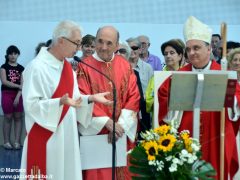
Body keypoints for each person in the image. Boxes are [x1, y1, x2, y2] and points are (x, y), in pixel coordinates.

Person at [20, 20, 112, 180]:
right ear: (61, 40)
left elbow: (74, 99)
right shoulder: (36, 67)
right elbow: (31, 106)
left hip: (67, 135)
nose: (78, 48)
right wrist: (58, 103)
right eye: (76, 43)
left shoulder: (67, 67)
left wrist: (90, 98)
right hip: (46, 138)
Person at [158, 16, 239, 179]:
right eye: (188, 49)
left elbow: (236, 99)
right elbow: (163, 96)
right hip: (185, 139)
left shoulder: (223, 74)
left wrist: (228, 97)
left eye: (196, 48)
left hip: (215, 137)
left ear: (209, 49)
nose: (191, 53)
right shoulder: (178, 76)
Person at [77, 26, 140, 180]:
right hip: (98, 133)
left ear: (117, 46)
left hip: (121, 133)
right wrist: (107, 122)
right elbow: (82, 96)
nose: (103, 47)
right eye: (100, 41)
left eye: (109, 43)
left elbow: (134, 97)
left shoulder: (125, 66)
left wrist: (120, 126)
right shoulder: (84, 66)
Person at [146, 39, 185, 116]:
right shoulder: (156, 77)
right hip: (161, 119)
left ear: (180, 56)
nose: (168, 56)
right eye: (165, 54)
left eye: (172, 53)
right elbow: (149, 99)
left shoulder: (186, 75)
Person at [0, 45, 24, 150]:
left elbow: (23, 84)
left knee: (18, 117)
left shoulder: (21, 68)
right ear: (8, 55)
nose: (13, 56)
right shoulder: (3, 67)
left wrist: (18, 96)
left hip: (18, 95)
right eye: (11, 53)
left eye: (15, 53)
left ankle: (17, 142)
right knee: (8, 117)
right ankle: (6, 141)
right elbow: (4, 81)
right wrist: (18, 86)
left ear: (18, 55)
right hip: (7, 93)